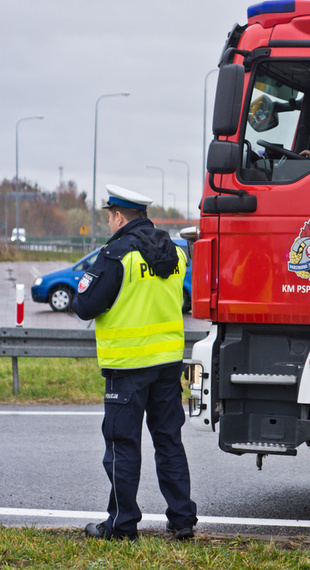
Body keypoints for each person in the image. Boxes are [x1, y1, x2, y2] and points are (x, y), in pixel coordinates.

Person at [72, 184, 197, 541]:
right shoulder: (175, 252)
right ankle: (183, 519)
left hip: (128, 367)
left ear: (118, 215)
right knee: (169, 440)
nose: (109, 222)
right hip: (169, 363)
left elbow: (85, 306)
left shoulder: (117, 254)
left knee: (122, 445)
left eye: (109, 216)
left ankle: (122, 525)